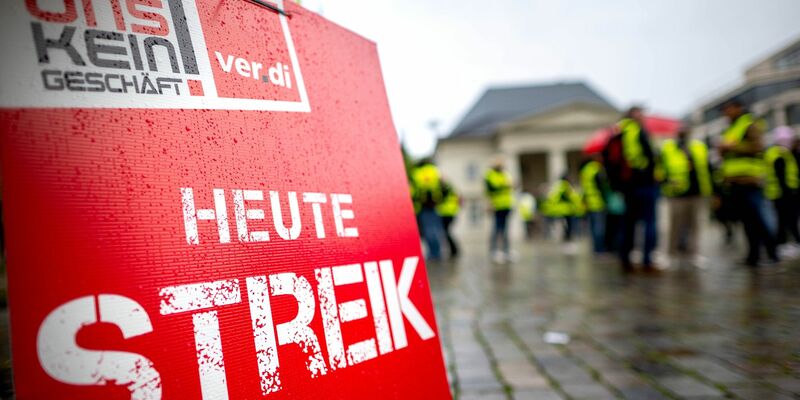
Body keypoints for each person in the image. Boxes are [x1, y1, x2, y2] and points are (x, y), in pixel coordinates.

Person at [718, 99, 779, 267]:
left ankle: (772, 254)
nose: (725, 112)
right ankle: (753, 256)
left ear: (738, 108)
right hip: (735, 182)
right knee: (747, 221)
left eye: (728, 108)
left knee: (760, 219)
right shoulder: (730, 128)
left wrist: (732, 147)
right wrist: (723, 150)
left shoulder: (749, 124)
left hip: (750, 182)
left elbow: (758, 147)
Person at [660, 129, 713, 265]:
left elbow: (707, 168)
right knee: (675, 225)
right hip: (677, 193)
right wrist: (666, 181)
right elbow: (661, 169)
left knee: (695, 225)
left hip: (697, 192)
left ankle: (693, 254)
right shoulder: (669, 148)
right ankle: (670, 254)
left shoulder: (699, 147)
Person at [617, 106, 659, 272]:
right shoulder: (637, 131)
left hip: (628, 187)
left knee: (628, 224)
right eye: (641, 114)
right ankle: (647, 260)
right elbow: (647, 158)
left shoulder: (619, 132)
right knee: (649, 223)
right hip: (643, 183)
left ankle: (625, 259)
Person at [764, 127, 800, 257]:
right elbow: (782, 176)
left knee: (783, 220)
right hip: (784, 194)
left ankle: (785, 243)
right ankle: (788, 243)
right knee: (787, 220)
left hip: (779, 194)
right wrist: (789, 192)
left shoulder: (775, 152)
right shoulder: (781, 153)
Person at [411, 158, 446, 261]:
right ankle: (438, 252)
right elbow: (442, 185)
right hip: (435, 204)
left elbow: (414, 192)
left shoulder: (416, 173)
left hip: (423, 206)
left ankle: (433, 253)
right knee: (436, 229)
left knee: (427, 230)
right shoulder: (435, 171)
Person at [543, 174, 584, 253]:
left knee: (564, 227)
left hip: (558, 210)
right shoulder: (565, 186)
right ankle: (568, 243)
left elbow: (551, 198)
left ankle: (565, 242)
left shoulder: (557, 186)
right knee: (569, 227)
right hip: (566, 209)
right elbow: (572, 198)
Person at [484, 159, 515, 263]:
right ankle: (494, 251)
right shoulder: (490, 175)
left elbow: (511, 186)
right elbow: (492, 189)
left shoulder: (505, 174)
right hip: (496, 206)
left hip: (506, 205)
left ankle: (506, 251)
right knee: (496, 229)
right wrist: (505, 185)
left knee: (505, 229)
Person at [580, 155, 608, 254]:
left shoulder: (585, 170)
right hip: (598, 202)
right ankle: (600, 249)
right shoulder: (596, 169)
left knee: (593, 228)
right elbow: (602, 186)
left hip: (589, 202)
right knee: (599, 228)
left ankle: (596, 248)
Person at [436, 179, 461, 258]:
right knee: (447, 232)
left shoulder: (443, 189)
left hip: (445, 213)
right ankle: (453, 250)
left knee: (446, 232)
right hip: (451, 212)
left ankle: (454, 250)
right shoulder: (451, 188)